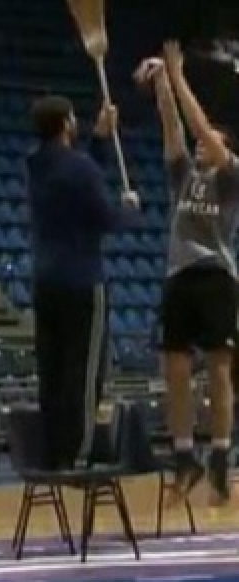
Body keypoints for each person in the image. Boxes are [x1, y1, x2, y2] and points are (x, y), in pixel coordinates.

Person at [134, 42, 239, 505]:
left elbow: (197, 126)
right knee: (174, 368)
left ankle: (219, 454)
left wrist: (178, 77)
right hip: (180, 274)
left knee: (219, 369)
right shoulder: (183, 176)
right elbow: (174, 127)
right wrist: (161, 83)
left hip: (217, 275)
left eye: (211, 138)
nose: (201, 141)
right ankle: (184, 456)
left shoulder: (231, 176)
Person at [26, 95, 140, 470]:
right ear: (66, 124)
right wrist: (129, 210)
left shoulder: (37, 165)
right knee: (85, 371)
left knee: (53, 369)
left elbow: (78, 177)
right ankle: (80, 451)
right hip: (82, 279)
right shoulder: (80, 167)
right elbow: (105, 218)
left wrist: (101, 139)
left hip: (45, 280)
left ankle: (54, 451)